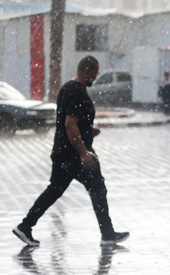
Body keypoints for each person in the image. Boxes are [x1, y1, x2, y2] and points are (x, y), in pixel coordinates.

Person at [13, 56, 129, 247]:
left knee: (54, 191)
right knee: (98, 188)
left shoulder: (67, 88)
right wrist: (84, 152)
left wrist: (88, 130)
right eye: (95, 72)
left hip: (61, 152)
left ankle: (25, 226)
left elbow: (69, 121)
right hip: (74, 154)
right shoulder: (78, 92)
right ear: (88, 70)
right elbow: (69, 124)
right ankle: (107, 234)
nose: (96, 76)